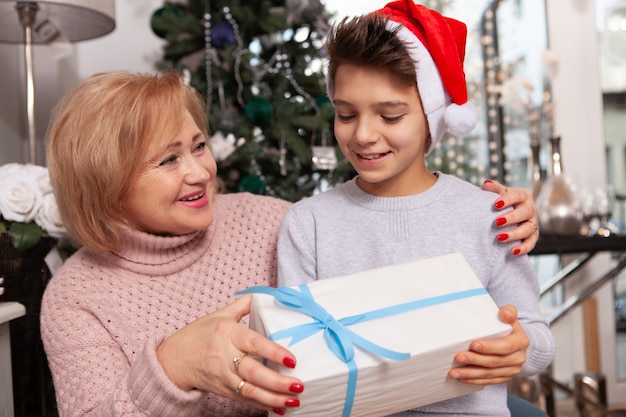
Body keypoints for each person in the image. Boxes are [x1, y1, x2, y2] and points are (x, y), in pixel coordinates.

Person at [40, 70, 539, 417]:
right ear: (105, 181)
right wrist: (173, 365)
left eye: (197, 146)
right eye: (167, 161)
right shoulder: (76, 297)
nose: (200, 172)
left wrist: (498, 214)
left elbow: (384, 233)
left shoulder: (273, 222)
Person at [276, 2, 556, 417]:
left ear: (432, 115)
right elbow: (292, 354)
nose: (364, 135)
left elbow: (537, 340)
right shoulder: (308, 224)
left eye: (390, 116)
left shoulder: (488, 216)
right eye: (346, 114)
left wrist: (517, 348)